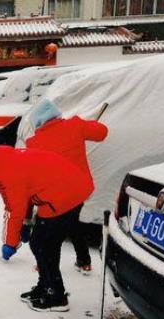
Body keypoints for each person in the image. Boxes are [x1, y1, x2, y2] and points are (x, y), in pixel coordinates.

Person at [0, 146, 93, 312]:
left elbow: (14, 210)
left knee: (44, 245)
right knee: (39, 242)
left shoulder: (4, 172)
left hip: (65, 191)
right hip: (59, 187)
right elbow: (20, 196)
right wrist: (25, 223)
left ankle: (56, 296)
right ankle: (45, 286)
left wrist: (10, 243)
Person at [22, 99, 108, 275]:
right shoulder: (75, 125)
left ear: (37, 122)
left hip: (56, 197)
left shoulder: (33, 143)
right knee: (72, 223)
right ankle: (84, 262)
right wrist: (88, 125)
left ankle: (45, 265)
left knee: (54, 234)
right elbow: (102, 133)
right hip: (80, 191)